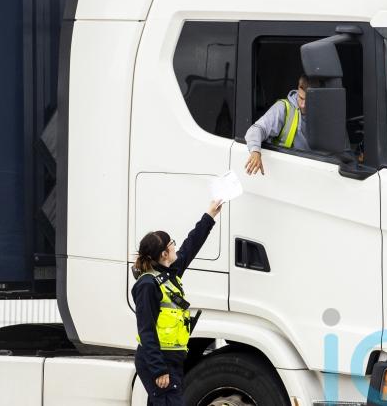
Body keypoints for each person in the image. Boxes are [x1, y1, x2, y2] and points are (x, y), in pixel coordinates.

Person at [131, 199, 222, 405]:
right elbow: (146, 331)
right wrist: (158, 369)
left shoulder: (169, 273)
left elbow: (191, 245)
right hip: (159, 362)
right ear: (164, 254)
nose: (175, 245)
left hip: (172, 359)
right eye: (171, 243)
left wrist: (209, 215)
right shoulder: (148, 285)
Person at [244, 75, 310, 175]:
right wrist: (255, 152)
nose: (303, 105)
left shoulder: (322, 114)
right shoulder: (283, 108)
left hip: (309, 169)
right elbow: (257, 129)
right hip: (285, 170)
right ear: (297, 89)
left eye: (308, 100)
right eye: (301, 98)